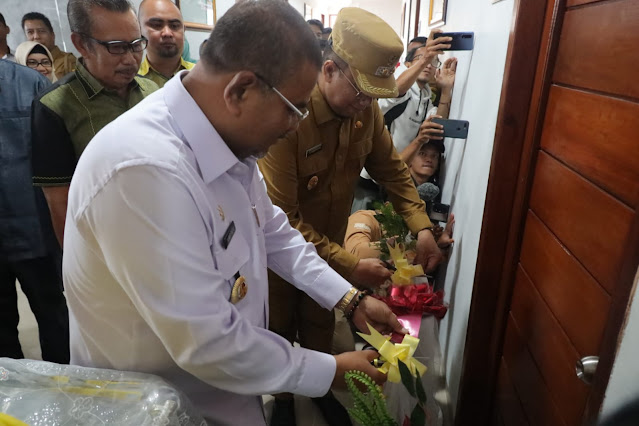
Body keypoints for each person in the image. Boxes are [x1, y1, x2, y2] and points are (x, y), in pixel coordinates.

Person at [63, 1, 403, 425]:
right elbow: (206, 342)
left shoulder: (227, 143)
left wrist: (348, 299)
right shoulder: (144, 170)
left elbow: (274, 231)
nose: (297, 124)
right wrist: (328, 370)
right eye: (293, 108)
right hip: (159, 403)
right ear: (240, 90)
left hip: (224, 390)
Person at [258, 7, 444, 425]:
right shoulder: (290, 118)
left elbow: (392, 171)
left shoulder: (365, 110)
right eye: (361, 91)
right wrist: (348, 264)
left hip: (332, 246)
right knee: (280, 326)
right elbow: (282, 219)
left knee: (321, 321)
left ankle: (321, 386)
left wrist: (423, 227)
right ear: (328, 70)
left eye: (374, 94)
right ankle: (285, 401)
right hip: (280, 254)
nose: (367, 103)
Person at [31, 0, 159, 248]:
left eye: (136, 45)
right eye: (117, 47)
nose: (131, 59)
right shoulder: (54, 107)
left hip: (158, 230)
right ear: (81, 44)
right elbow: (60, 203)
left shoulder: (151, 91)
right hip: (105, 243)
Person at [0, 58, 69, 364]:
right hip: (31, 231)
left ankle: (61, 389)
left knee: (51, 317)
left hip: (34, 231)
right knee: (13, 330)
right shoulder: (30, 82)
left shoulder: (31, 84)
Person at [138, 0, 195, 87]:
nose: (167, 33)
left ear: (184, 30)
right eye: (157, 25)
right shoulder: (132, 81)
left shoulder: (203, 76)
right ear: (139, 31)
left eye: (174, 26)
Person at [22, 12, 77, 80]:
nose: (36, 37)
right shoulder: (23, 66)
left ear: (52, 35)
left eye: (41, 31)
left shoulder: (67, 61)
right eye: (30, 32)